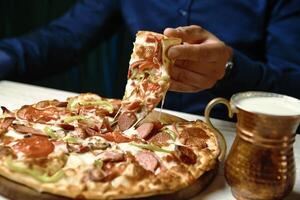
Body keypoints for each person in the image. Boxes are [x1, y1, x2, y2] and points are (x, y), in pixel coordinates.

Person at [0, 0, 300, 119]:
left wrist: (231, 69)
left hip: (230, 130)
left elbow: (293, 84)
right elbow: (66, 37)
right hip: (131, 126)